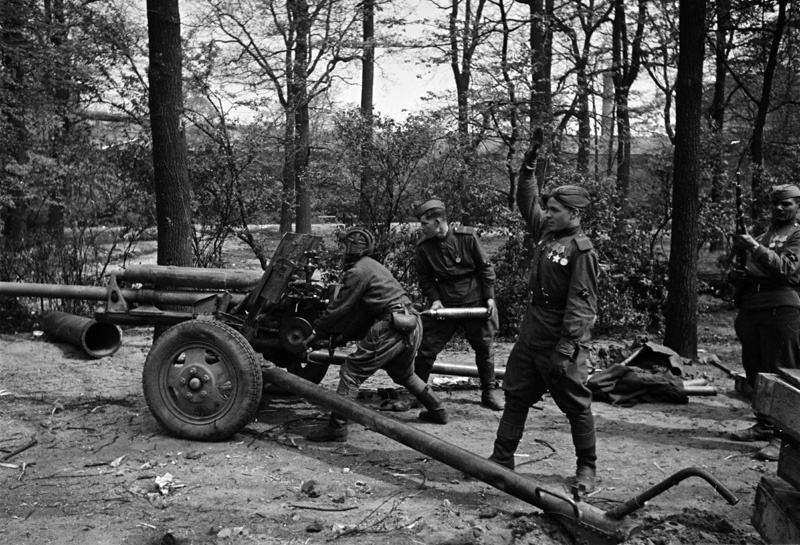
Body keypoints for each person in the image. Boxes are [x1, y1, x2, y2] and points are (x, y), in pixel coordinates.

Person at [487, 130, 600, 493]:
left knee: (575, 404)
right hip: (532, 334)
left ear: (574, 213)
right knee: (517, 394)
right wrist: (529, 166)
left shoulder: (580, 250)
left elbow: (582, 306)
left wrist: (566, 350)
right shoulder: (547, 235)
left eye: (555, 210)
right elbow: (527, 200)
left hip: (560, 339)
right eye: (548, 209)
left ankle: (587, 469)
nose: (546, 213)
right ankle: (502, 458)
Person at [304, 227, 448, 443]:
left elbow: (339, 308)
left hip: (393, 325)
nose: (342, 251)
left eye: (345, 247)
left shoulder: (357, 272)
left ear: (352, 249)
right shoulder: (373, 267)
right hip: (411, 321)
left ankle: (337, 427)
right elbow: (363, 315)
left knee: (351, 371)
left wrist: (316, 331)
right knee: (405, 374)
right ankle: (437, 410)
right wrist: (342, 338)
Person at [728, 184, 800, 461]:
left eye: (787, 204)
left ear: (797, 207)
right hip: (753, 307)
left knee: (782, 373)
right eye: (776, 204)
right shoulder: (765, 234)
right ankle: (765, 424)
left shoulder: (796, 234)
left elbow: (787, 269)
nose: (780, 209)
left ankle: (781, 438)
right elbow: (749, 269)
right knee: (755, 370)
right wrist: (737, 273)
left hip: (782, 308)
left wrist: (754, 248)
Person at [413, 199, 504, 411]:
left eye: (424, 224)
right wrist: (435, 299)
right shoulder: (424, 248)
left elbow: (485, 268)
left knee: (484, 347)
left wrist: (489, 297)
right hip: (445, 305)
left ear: (437, 221)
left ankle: (488, 392)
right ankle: (416, 393)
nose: (422, 228)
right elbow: (425, 278)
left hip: (475, 302)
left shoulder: (467, 238)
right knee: (426, 348)